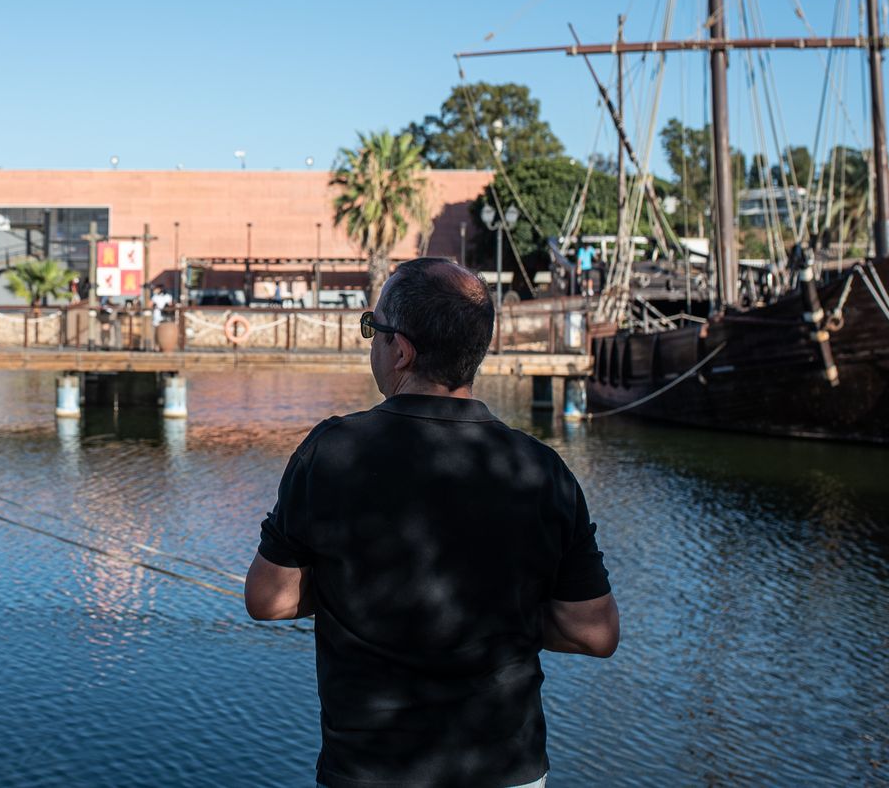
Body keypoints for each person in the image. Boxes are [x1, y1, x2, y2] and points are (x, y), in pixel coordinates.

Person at [245, 258, 617, 788]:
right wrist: (488, 614)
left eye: (373, 328)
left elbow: (268, 599)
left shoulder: (332, 452)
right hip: (507, 770)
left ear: (401, 351)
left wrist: (363, 595)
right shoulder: (541, 470)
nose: (371, 341)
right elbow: (596, 633)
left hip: (372, 771)